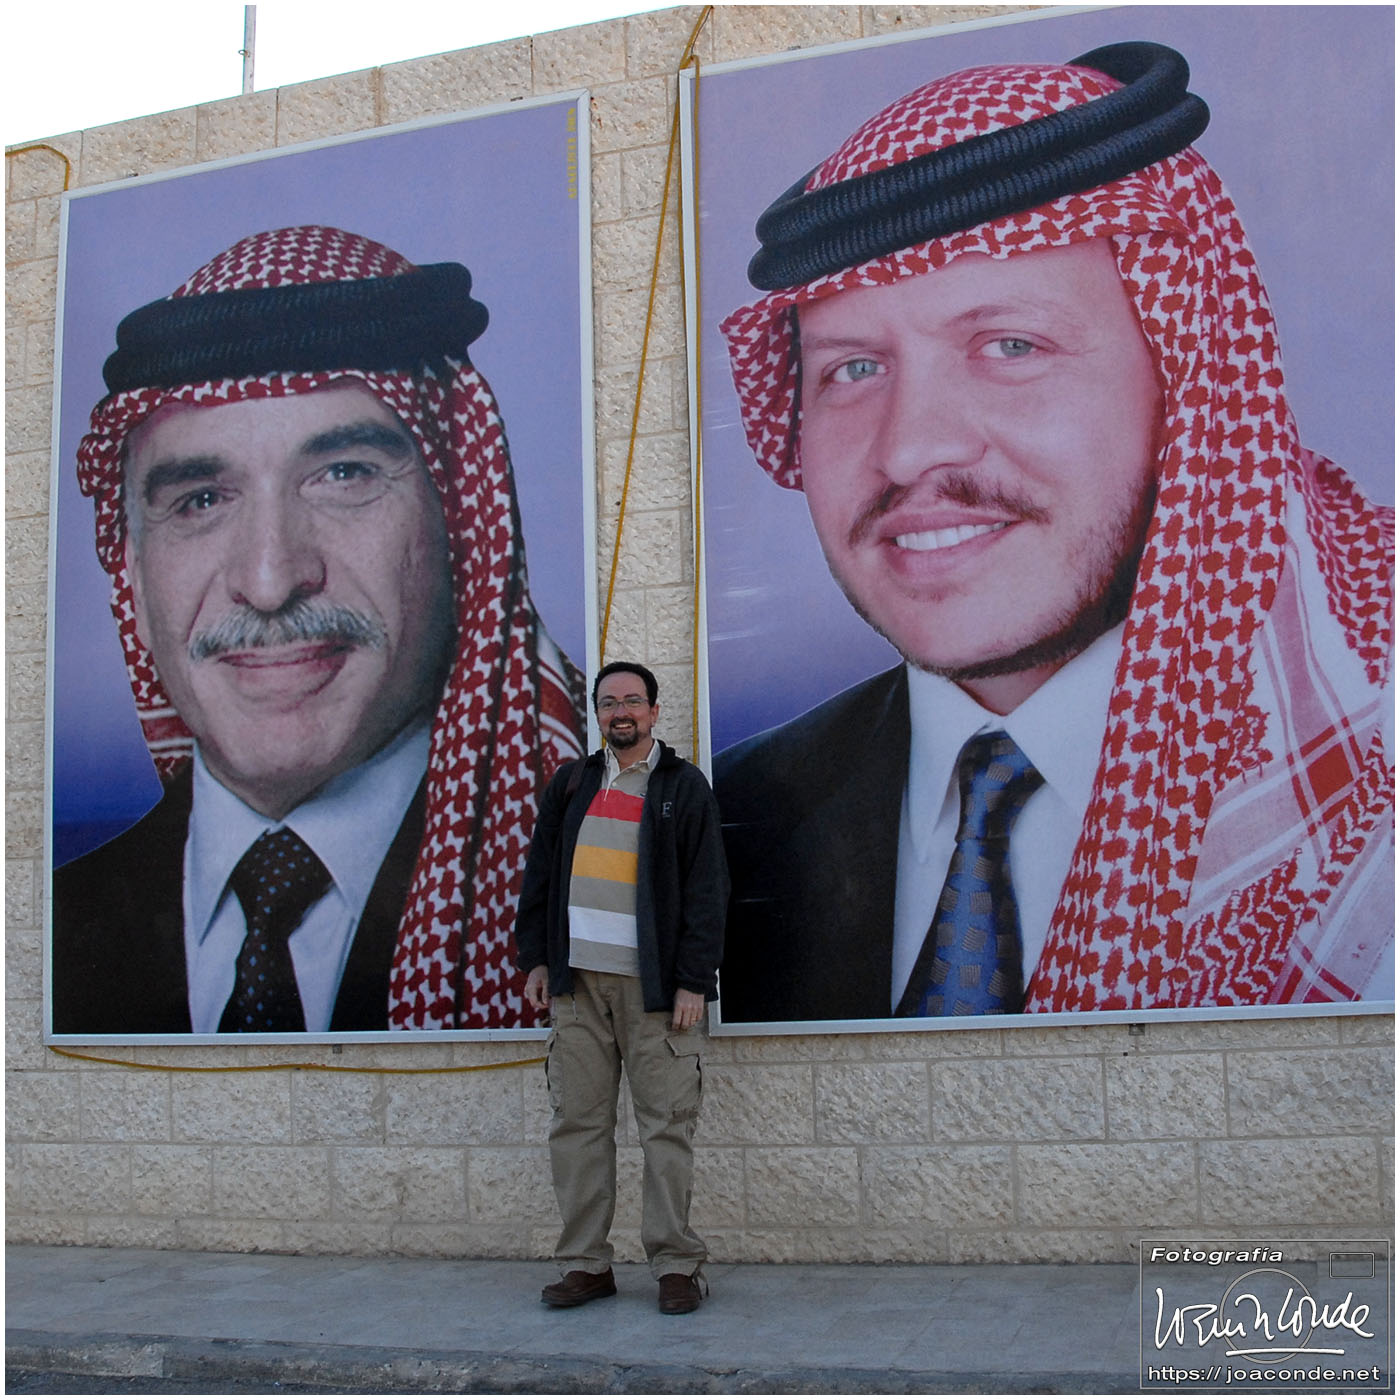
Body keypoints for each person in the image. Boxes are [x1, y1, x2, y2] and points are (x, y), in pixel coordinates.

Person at [713, 42, 1393, 1022]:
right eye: (852, 370)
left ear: (1184, 376)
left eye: (1010, 345)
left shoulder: (1370, 763)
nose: (908, 449)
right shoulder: (737, 815)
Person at [51, 225, 586, 1035]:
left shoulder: (586, 883)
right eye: (200, 500)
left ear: (463, 526)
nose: (270, 581)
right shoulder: (52, 937)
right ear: (130, 569)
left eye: (344, 475)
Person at [514, 662, 728, 1314]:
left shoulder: (682, 787)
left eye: (633, 701)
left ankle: (676, 1266)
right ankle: (586, 1265)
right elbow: (540, 876)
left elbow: (707, 889)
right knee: (577, 1127)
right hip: (578, 986)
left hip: (655, 991)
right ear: (598, 713)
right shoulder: (571, 784)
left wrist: (693, 981)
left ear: (655, 711)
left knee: (666, 1128)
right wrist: (537, 959)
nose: (621, 712)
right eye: (609, 703)